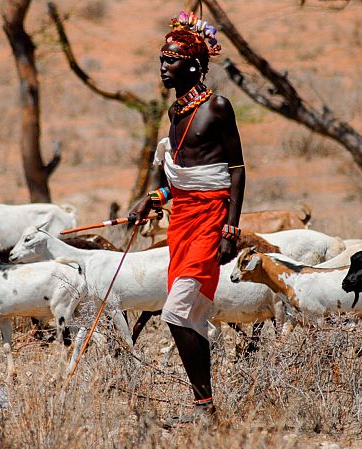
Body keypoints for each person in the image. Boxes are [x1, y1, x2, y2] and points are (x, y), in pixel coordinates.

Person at [130, 11, 245, 423]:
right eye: (162, 59)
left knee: (176, 313)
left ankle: (204, 405)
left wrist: (231, 228)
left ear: (194, 65)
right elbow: (181, 175)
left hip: (211, 219)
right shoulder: (175, 113)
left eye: (171, 60)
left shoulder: (217, 107)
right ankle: (206, 411)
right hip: (181, 220)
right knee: (193, 315)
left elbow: (234, 171)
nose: (163, 67)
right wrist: (155, 197)